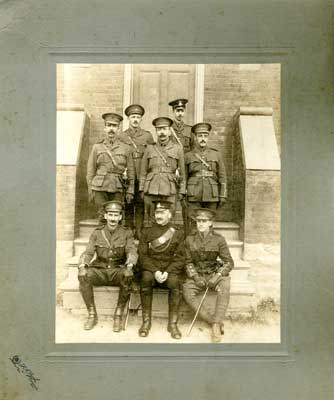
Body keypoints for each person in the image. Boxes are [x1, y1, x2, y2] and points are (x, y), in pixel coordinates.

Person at [77, 201, 138, 332]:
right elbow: (88, 252)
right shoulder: (97, 233)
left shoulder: (126, 233)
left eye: (116, 215)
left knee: (128, 275)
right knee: (83, 275)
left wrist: (130, 265)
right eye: (110, 214)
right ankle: (92, 315)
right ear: (105, 216)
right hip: (100, 269)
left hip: (117, 270)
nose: (113, 218)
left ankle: (118, 315)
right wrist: (82, 265)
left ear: (120, 217)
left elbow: (131, 251)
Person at [182, 208, 234, 343]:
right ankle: (214, 321)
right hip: (198, 275)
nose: (200, 224)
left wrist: (217, 277)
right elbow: (187, 262)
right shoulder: (189, 239)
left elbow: (229, 262)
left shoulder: (219, 239)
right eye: (198, 221)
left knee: (225, 285)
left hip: (213, 274)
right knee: (187, 291)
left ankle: (216, 326)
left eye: (204, 221)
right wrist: (195, 277)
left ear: (211, 223)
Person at [138, 200, 185, 339]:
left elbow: (181, 257)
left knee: (174, 282)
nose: (158, 215)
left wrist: (168, 271)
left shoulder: (177, 233)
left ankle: (173, 324)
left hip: (169, 270)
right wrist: (155, 271)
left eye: (162, 212)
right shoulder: (147, 232)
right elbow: (142, 255)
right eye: (157, 212)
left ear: (170, 215)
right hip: (152, 269)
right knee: (146, 279)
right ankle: (146, 322)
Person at [139, 117, 186, 224]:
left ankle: (168, 240)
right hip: (151, 188)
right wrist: (142, 189)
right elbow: (143, 172)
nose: (162, 132)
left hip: (169, 188)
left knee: (169, 217)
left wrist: (182, 190)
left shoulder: (177, 149)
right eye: (159, 129)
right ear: (156, 132)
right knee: (152, 217)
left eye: (164, 129)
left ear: (169, 131)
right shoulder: (149, 148)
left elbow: (182, 173)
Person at [86, 112, 135, 211]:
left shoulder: (126, 148)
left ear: (118, 129)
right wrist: (90, 190)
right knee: (102, 216)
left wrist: (130, 190)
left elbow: (131, 171)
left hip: (118, 187)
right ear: (105, 128)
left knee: (116, 215)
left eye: (114, 126)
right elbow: (90, 171)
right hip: (99, 187)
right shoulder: (97, 147)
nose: (111, 129)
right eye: (109, 125)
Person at [119, 104, 155, 239]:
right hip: (128, 175)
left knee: (140, 204)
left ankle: (139, 231)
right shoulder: (122, 136)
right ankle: (129, 230)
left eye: (138, 117)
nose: (135, 119)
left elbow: (152, 154)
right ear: (128, 119)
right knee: (128, 204)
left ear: (141, 119)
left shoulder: (147, 136)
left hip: (142, 174)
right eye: (133, 117)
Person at [185, 122, 227, 232]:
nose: (203, 139)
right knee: (194, 223)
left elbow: (222, 176)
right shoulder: (188, 156)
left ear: (208, 137)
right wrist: (183, 194)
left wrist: (222, 195)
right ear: (195, 137)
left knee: (209, 223)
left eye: (205, 136)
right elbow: (184, 177)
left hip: (212, 193)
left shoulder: (216, 154)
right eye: (200, 136)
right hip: (194, 194)